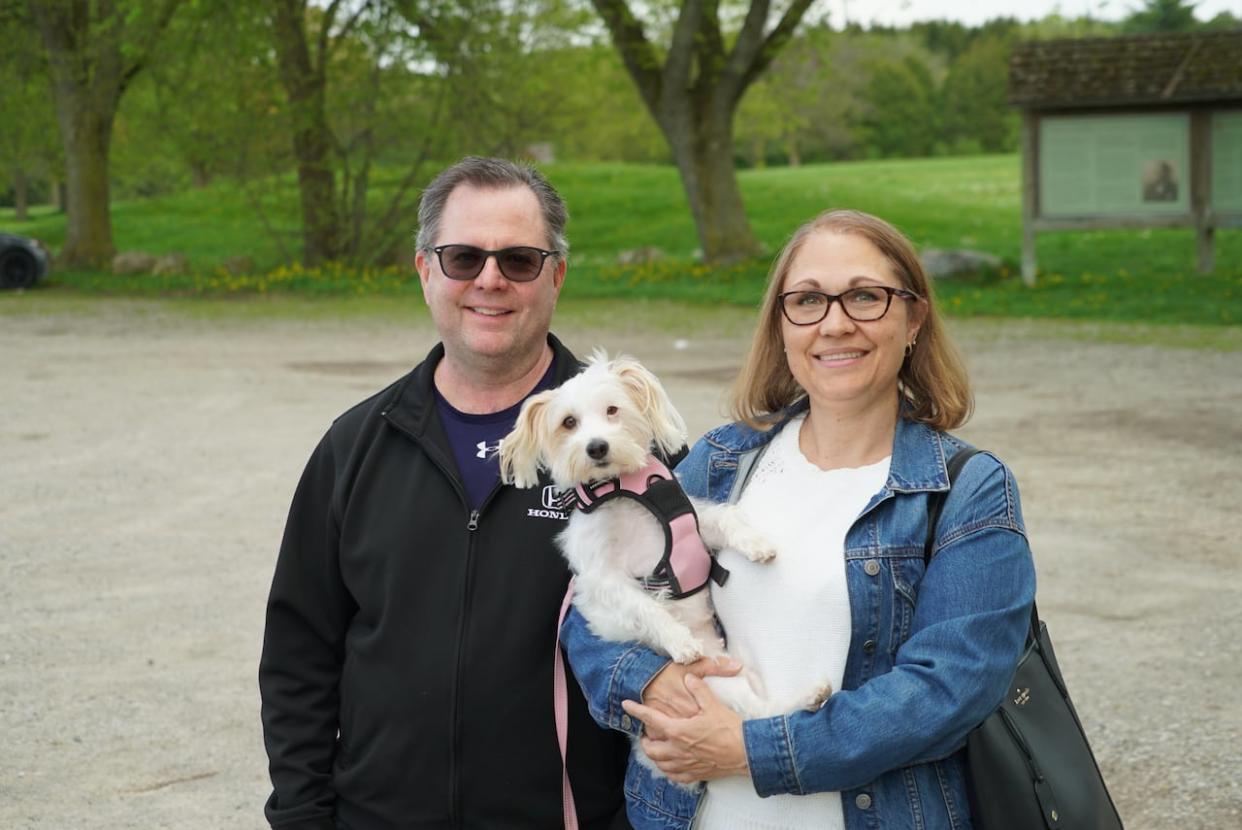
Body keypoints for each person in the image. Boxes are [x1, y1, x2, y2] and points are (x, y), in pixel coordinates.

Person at [561, 209, 1037, 829]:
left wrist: (749, 751)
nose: (835, 324)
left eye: (866, 297)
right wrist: (653, 684)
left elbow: (948, 691)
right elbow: (587, 612)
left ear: (914, 318)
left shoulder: (968, 490)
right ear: (782, 325)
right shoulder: (721, 462)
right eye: (808, 300)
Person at [259, 157, 632, 829]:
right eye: (463, 257)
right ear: (426, 269)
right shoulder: (356, 446)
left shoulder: (632, 450)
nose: (490, 280)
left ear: (557, 275)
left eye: (519, 260)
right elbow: (299, 656)